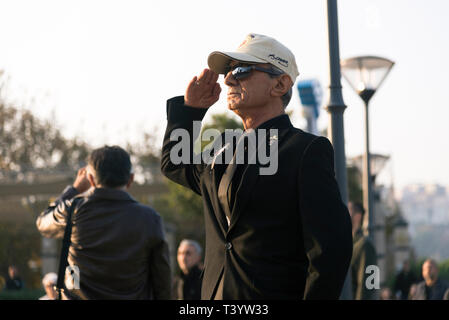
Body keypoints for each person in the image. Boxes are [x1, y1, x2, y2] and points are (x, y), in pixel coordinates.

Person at [161, 33, 353, 299]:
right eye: (228, 72)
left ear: (280, 84)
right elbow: (174, 163)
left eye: (241, 70)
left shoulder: (305, 150)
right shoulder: (221, 149)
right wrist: (190, 111)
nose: (228, 79)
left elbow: (330, 251)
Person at [36, 145, 171, 299]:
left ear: (91, 179)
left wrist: (74, 189)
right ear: (131, 179)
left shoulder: (73, 211)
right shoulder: (150, 218)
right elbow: (162, 280)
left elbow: (42, 222)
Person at [348, 201, 378, 300]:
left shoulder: (365, 245)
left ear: (358, 216)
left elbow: (370, 286)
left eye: (348, 210)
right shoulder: (349, 244)